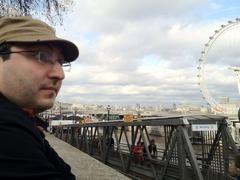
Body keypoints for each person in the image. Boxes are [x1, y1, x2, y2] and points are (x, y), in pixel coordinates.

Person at [0, 16, 79, 179]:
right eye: (41, 56)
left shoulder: (21, 119)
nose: (60, 74)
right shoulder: (6, 128)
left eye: (61, 62)